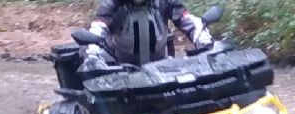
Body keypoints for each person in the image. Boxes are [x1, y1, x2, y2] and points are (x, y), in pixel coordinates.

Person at [80, 0, 216, 71]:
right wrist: (92, 55)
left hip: (162, 67)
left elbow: (188, 21)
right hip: (121, 68)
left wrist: (203, 40)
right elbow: (97, 29)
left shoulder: (164, 2)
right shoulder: (111, 4)